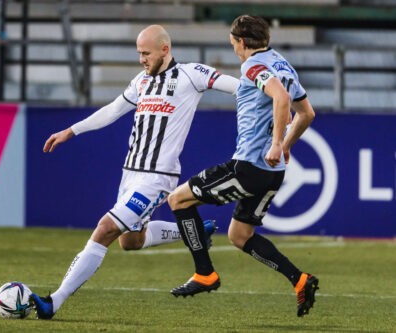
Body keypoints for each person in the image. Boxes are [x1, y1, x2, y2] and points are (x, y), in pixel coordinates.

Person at [29, 24, 240, 319]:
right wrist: (72, 131)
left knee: (105, 229)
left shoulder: (192, 75)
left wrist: (272, 94)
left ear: (165, 50)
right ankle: (191, 231)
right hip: (130, 174)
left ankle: (54, 300)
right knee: (131, 241)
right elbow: (113, 110)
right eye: (139, 53)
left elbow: (237, 86)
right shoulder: (141, 81)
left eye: (146, 53)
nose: (141, 58)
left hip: (157, 178)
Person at [167, 15, 318, 317]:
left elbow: (281, 96)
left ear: (242, 42)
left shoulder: (253, 65)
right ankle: (299, 279)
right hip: (273, 173)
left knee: (178, 199)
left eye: (233, 43)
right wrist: (286, 147)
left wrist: (277, 143)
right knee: (240, 236)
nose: (234, 49)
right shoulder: (282, 63)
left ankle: (204, 273)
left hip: (248, 167)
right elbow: (307, 113)